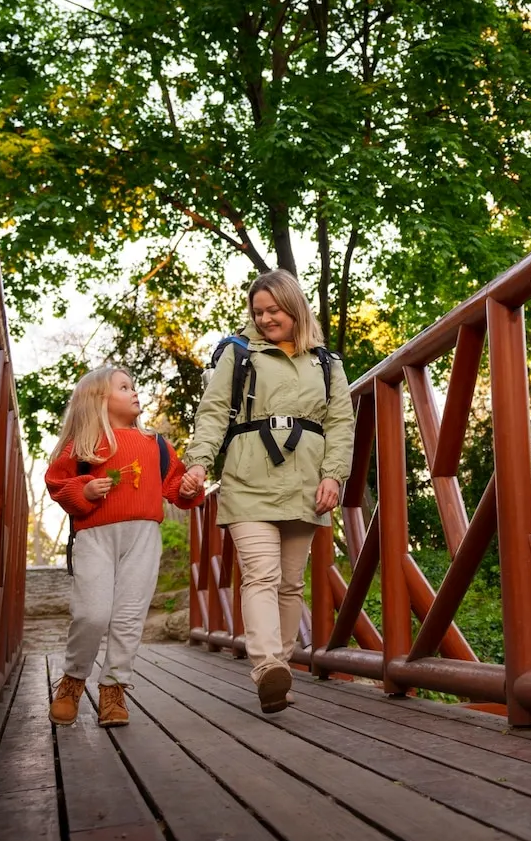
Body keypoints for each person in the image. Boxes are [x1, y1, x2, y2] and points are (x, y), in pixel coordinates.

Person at [184, 269, 355, 712]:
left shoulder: (327, 363)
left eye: (273, 310)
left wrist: (334, 475)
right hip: (249, 478)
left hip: (306, 481)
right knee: (261, 573)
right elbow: (214, 410)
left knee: (290, 584)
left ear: (294, 307)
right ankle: (266, 667)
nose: (264, 319)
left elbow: (340, 424)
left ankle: (278, 670)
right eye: (258, 312)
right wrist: (199, 462)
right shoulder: (238, 353)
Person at [45, 366, 205, 727]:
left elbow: (175, 487)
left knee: (130, 616)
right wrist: (83, 491)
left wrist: (188, 489)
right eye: (124, 387)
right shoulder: (84, 445)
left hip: (144, 537)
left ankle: (113, 688)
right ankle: (72, 680)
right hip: (94, 536)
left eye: (133, 385)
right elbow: (57, 482)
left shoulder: (156, 444)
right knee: (92, 613)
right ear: (98, 398)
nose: (135, 392)